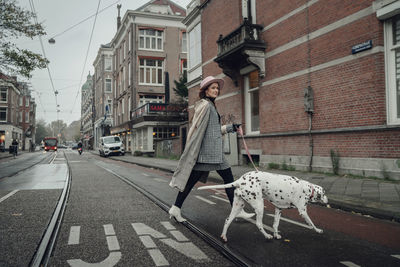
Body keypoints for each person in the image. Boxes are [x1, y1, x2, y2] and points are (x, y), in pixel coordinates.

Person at [169, 76, 255, 222]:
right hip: (208, 155)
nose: (216, 90)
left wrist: (230, 127)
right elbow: (198, 130)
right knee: (201, 181)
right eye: (213, 88)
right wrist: (192, 151)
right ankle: (176, 208)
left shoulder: (211, 106)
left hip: (213, 154)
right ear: (206, 90)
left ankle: (176, 208)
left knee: (226, 179)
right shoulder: (207, 106)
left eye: (217, 88)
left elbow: (213, 131)